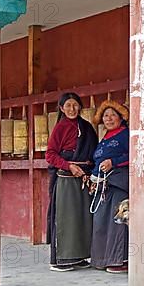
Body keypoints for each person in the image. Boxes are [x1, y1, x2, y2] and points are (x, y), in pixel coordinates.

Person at [45, 92, 98, 272]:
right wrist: (69, 166)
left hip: (84, 177)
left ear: (80, 107)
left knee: (82, 218)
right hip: (67, 179)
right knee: (66, 218)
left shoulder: (87, 127)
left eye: (75, 105)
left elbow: (94, 152)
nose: (72, 109)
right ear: (61, 108)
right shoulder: (60, 128)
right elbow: (50, 154)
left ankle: (79, 255)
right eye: (67, 105)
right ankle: (61, 258)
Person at [89, 100, 130, 273]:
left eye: (113, 115)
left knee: (117, 222)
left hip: (119, 183)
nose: (109, 118)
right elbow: (97, 160)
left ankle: (119, 260)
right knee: (100, 221)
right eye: (106, 115)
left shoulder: (126, 134)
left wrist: (114, 162)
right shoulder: (104, 138)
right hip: (103, 186)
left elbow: (134, 155)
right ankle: (102, 259)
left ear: (121, 118)